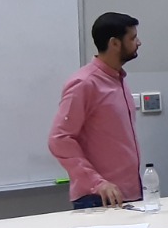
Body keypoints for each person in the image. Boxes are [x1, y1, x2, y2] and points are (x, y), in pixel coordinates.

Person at [49, 12, 143, 209]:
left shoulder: (118, 79)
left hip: (128, 194)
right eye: (132, 38)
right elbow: (60, 139)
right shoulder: (85, 83)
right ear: (114, 43)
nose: (139, 42)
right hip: (97, 197)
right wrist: (96, 182)